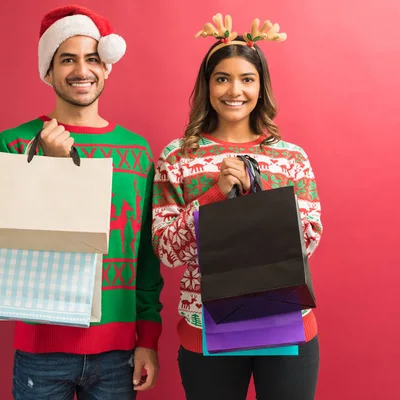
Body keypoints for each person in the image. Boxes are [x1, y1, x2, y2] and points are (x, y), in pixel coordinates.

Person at [0, 5, 163, 399]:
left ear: (106, 68)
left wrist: (147, 337)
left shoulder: (136, 151)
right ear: (48, 70)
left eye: (93, 59)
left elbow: (147, 254)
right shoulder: (15, 145)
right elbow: (6, 240)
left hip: (119, 350)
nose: (82, 70)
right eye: (68, 59)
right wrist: (51, 169)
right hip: (41, 350)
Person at [151, 13, 323, 400]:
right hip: (207, 329)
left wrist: (256, 195)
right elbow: (166, 250)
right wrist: (214, 195)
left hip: (286, 325)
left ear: (261, 87)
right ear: (207, 85)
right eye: (222, 78)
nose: (235, 90)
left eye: (247, 79)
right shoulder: (178, 156)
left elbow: (308, 241)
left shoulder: (290, 157)